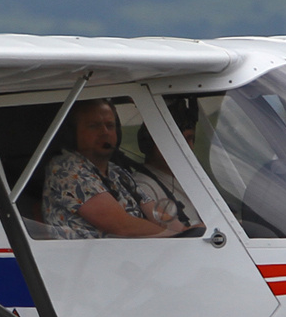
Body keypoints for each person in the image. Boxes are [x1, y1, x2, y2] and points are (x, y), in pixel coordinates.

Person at [42, 101, 184, 239]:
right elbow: (123, 226)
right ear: (72, 134)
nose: (104, 132)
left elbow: (157, 214)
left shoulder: (117, 172)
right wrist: (177, 237)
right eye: (94, 126)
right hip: (89, 260)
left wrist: (186, 231)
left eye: (110, 125)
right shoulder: (66, 170)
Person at [131, 127, 204, 235]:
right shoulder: (143, 187)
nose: (188, 146)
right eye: (178, 140)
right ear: (151, 144)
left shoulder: (191, 179)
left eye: (190, 139)